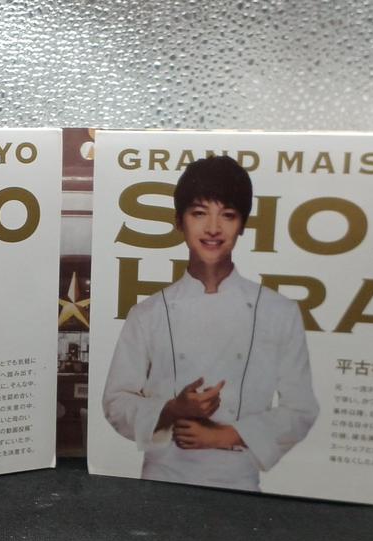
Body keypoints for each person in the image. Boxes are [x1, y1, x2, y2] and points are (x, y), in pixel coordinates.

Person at [102, 155, 318, 491]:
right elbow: (116, 402)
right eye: (199, 213)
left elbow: (301, 409)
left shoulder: (278, 311)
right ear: (179, 221)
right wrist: (173, 409)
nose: (214, 228)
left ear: (243, 224)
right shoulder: (148, 313)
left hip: (238, 481)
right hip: (162, 479)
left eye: (228, 215)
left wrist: (224, 435)